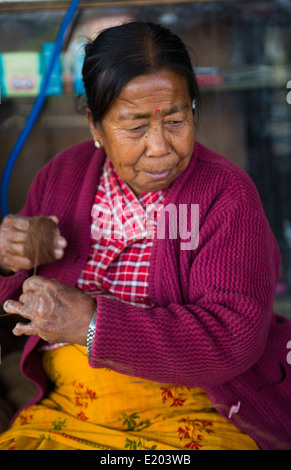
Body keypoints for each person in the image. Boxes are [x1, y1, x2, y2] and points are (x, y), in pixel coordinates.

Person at [0, 21, 290, 451]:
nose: (160, 147)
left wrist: (92, 324)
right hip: (70, 411)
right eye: (135, 127)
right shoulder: (63, 176)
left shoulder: (223, 195)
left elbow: (234, 336)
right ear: (95, 126)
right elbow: (13, 309)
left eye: (176, 120)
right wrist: (10, 259)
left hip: (194, 412)